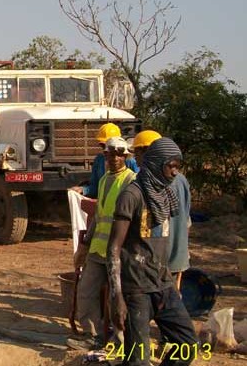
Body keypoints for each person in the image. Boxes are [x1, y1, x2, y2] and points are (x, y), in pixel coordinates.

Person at [107, 138, 198, 365]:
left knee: (187, 344)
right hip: (136, 288)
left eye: (178, 166)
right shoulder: (132, 195)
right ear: (157, 163)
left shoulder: (166, 194)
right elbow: (113, 247)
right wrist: (116, 296)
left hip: (162, 283)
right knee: (138, 359)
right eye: (171, 166)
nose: (175, 172)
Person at [71, 137, 136, 350]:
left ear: (125, 156)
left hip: (119, 252)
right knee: (86, 292)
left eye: (120, 154)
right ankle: (93, 335)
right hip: (98, 250)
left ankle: (119, 340)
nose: (115, 158)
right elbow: (99, 217)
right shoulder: (103, 180)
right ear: (105, 156)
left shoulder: (131, 181)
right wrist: (84, 245)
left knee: (117, 298)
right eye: (111, 154)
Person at [132, 130, 191, 290]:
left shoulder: (148, 183)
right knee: (171, 303)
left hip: (157, 258)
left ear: (149, 153)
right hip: (177, 255)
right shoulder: (182, 180)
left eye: (137, 153)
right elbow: (186, 222)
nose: (135, 159)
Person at [71, 123, 139, 198]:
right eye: (103, 146)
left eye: (108, 145)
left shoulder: (129, 161)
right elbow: (96, 187)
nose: (105, 149)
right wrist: (83, 190)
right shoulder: (99, 160)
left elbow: (139, 187)